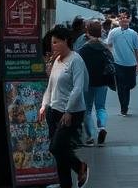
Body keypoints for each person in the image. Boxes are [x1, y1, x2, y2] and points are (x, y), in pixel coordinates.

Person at [40, 25, 90, 188]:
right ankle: (65, 184)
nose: (52, 46)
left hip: (72, 112)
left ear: (66, 41)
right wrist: (44, 105)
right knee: (61, 151)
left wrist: (68, 111)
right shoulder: (57, 60)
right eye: (51, 43)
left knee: (56, 147)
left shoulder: (76, 60)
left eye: (56, 42)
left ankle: (79, 166)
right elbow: (51, 86)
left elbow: (78, 88)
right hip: (54, 110)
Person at [76, 20, 113, 146]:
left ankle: (91, 136)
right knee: (101, 108)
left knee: (87, 109)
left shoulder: (83, 49)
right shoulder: (105, 48)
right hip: (102, 82)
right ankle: (102, 128)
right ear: (100, 32)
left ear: (88, 32)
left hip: (87, 82)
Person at [105, 9, 138, 115]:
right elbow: (109, 45)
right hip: (118, 63)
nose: (123, 19)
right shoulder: (113, 32)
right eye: (120, 17)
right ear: (118, 20)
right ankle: (124, 107)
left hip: (131, 63)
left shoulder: (134, 34)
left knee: (130, 85)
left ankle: (125, 104)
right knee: (121, 87)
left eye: (125, 17)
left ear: (129, 19)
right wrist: (110, 58)